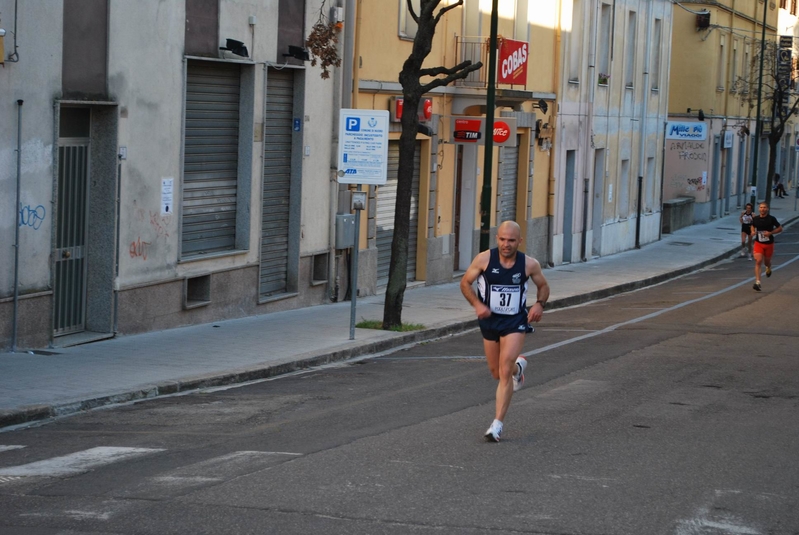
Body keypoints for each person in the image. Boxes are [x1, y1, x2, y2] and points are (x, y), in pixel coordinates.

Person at [460, 220, 550, 442]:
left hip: (515, 321)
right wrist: (477, 305)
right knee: (496, 373)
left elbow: (544, 286)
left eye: (511, 240)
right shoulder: (483, 259)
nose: (506, 244)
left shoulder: (529, 264)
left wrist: (539, 304)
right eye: (502, 239)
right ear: (497, 239)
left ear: (519, 241)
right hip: (489, 321)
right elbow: (464, 283)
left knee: (504, 366)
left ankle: (497, 425)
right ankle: (518, 369)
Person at [750, 202, 783, 292]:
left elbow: (780, 228)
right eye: (761, 207)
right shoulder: (755, 219)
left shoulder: (771, 219)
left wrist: (770, 233)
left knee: (766, 262)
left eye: (764, 207)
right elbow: (752, 226)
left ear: (767, 209)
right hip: (758, 243)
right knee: (758, 260)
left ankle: (768, 267)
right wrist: (752, 232)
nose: (762, 209)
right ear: (758, 209)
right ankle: (757, 282)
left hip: (769, 244)